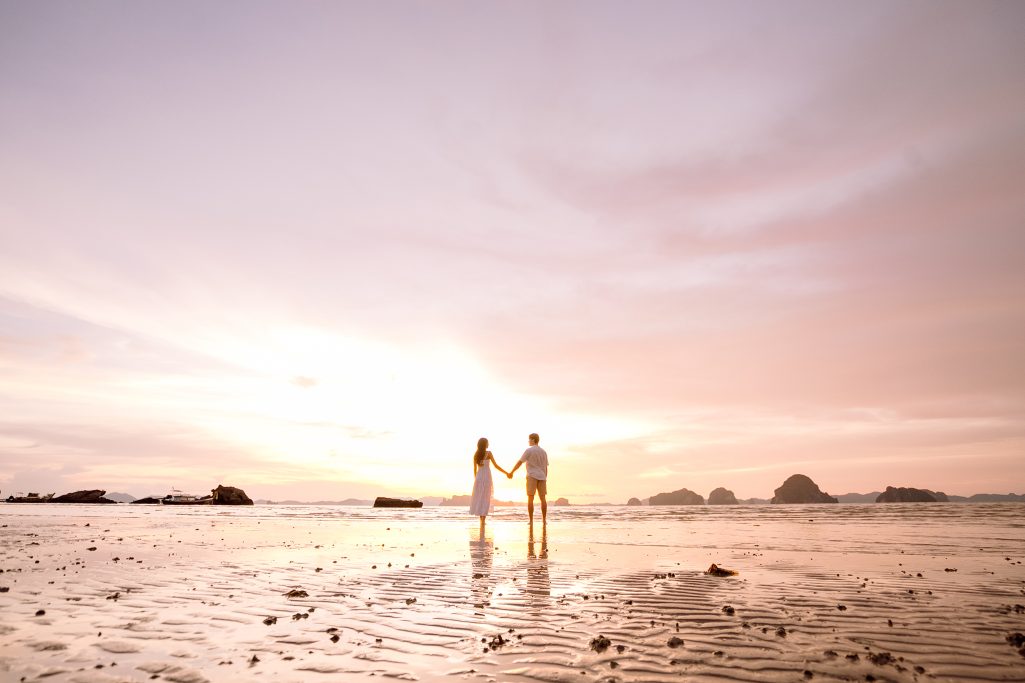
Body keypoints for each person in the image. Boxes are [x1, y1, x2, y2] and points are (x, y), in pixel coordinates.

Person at [507, 432, 549, 526]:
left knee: (530, 498)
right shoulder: (543, 451)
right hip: (542, 476)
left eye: (529, 439)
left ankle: (531, 520)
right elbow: (546, 467)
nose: (528, 441)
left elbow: (520, 462)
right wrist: (545, 477)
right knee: (543, 499)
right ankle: (544, 520)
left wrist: (511, 472)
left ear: (533, 440)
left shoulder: (529, 450)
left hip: (532, 475)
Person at [469, 437, 510, 528]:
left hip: (479, 478)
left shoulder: (476, 455)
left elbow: (474, 470)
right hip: (487, 477)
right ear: (485, 444)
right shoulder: (489, 453)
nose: (489, 444)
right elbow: (496, 466)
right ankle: (483, 520)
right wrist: (506, 473)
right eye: (487, 443)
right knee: (485, 498)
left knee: (480, 498)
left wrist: (476, 480)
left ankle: (481, 520)